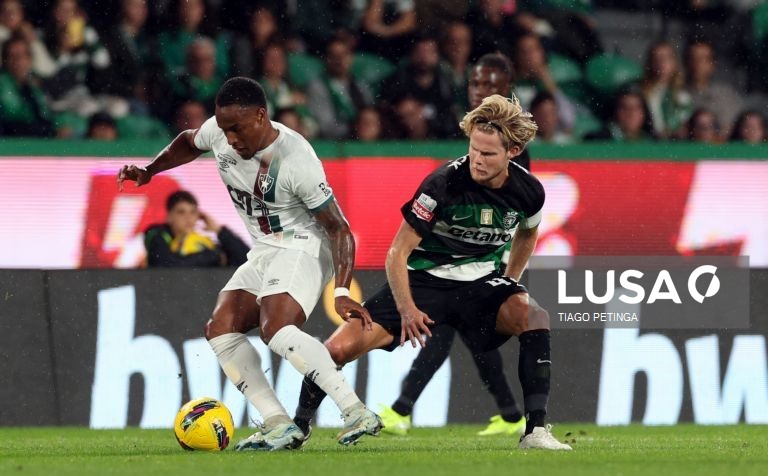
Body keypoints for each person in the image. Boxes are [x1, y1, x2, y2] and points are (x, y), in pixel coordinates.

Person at [116, 77, 382, 451]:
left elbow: (339, 228)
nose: (230, 138)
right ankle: (278, 423)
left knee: (276, 328)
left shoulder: (297, 159)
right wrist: (150, 171)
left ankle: (355, 410)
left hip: (304, 245)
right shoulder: (221, 131)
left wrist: (340, 290)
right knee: (220, 327)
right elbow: (188, 142)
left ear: (261, 116)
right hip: (264, 248)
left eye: (238, 129)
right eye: (224, 129)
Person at [294, 94, 572, 450]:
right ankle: (298, 427)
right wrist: (407, 309)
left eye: (488, 154)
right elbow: (397, 253)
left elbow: (528, 233)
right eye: (474, 149)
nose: (477, 160)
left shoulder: (529, 191)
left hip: (480, 285)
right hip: (423, 282)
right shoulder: (442, 185)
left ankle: (535, 432)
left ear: (513, 152)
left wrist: (510, 281)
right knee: (335, 350)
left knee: (535, 316)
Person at [360, 53, 530, 437]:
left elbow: (516, 215)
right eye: (475, 83)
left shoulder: (513, 146)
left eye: (488, 85)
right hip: (454, 260)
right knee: (467, 336)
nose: (479, 90)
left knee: (444, 332)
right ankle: (509, 415)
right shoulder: (471, 132)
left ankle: (403, 410)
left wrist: (504, 273)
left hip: (481, 262)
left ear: (505, 90)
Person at [144, 190, 249, 268]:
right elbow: (167, 266)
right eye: (181, 212)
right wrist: (215, 257)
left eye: (193, 212)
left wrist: (220, 231)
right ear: (169, 217)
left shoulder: (201, 241)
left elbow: (247, 260)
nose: (188, 218)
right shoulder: (156, 234)